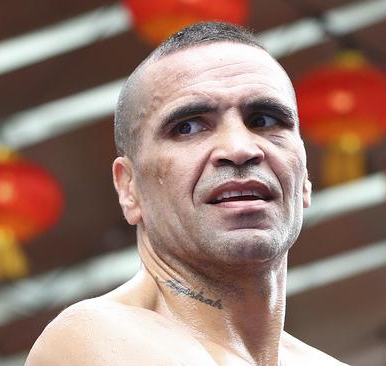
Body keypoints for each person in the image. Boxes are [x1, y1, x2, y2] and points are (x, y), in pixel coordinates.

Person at [26, 22, 347, 366]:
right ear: (128, 188)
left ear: (304, 179)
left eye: (265, 120)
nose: (240, 148)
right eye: (188, 126)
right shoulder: (92, 336)